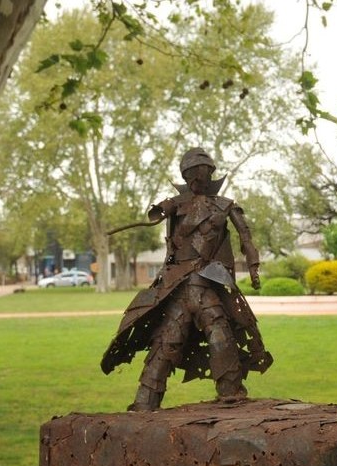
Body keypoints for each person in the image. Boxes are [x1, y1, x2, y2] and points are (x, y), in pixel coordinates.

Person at [101, 148, 272, 411]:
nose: (197, 179)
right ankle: (146, 400)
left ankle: (230, 391)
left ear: (210, 175)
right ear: (185, 176)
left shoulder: (226, 205)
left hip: (207, 283)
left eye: (201, 173)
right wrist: (164, 208)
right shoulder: (175, 205)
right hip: (178, 286)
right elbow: (155, 216)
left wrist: (254, 267)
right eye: (191, 174)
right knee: (167, 341)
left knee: (219, 335)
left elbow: (245, 239)